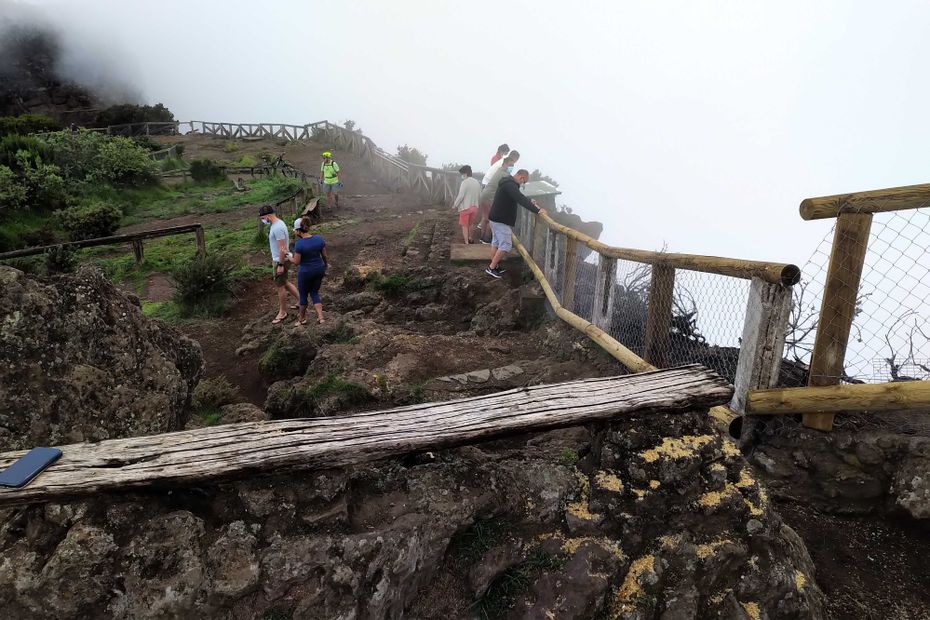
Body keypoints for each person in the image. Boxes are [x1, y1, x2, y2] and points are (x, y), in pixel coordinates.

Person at [485, 168, 546, 279]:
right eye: (524, 181)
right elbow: (519, 198)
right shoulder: (510, 185)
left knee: (496, 242)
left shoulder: (508, 182)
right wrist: (537, 210)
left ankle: (494, 265)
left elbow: (518, 195)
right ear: (521, 177)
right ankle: (492, 267)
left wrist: (529, 201)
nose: (523, 184)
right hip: (500, 220)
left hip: (495, 217)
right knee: (506, 244)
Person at [259, 204, 300, 324]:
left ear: (268, 216)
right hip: (280, 259)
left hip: (280, 260)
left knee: (280, 286)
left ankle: (282, 312)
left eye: (263, 218)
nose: (262, 221)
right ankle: (300, 299)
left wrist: (281, 265)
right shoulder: (278, 224)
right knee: (285, 282)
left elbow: (282, 248)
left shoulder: (277, 228)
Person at [289, 220, 329, 325]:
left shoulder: (299, 244)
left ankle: (301, 319)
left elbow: (296, 262)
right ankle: (321, 317)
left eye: (295, 230)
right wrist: (325, 265)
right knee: (314, 292)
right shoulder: (318, 239)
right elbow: (324, 255)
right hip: (319, 269)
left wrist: (288, 256)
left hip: (306, 272)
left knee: (303, 295)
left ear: (298, 230)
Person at [477, 154, 518, 244]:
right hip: (489, 197)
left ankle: (481, 237)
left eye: (513, 166)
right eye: (510, 165)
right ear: (505, 164)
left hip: (484, 195)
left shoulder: (499, 170)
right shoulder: (505, 174)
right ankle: (487, 239)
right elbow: (512, 183)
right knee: (491, 219)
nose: (511, 167)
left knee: (485, 217)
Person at [452, 165, 482, 244]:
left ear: (465, 173)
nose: (462, 176)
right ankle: (471, 238)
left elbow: (461, 196)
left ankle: (466, 242)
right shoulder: (477, 183)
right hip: (475, 207)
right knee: (471, 224)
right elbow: (479, 195)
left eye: (462, 174)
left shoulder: (464, 182)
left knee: (464, 225)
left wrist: (455, 205)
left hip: (465, 208)